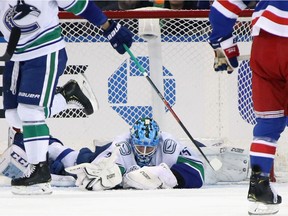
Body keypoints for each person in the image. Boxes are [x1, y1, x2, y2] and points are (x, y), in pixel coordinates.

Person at [0, 0, 133, 195]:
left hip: (44, 51)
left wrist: (109, 27)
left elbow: (79, 4)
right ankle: (67, 95)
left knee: (30, 110)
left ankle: (39, 173)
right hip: (15, 54)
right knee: (15, 117)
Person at [1, 117, 249, 190]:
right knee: (70, 161)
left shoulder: (169, 145)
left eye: (148, 148)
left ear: (158, 143)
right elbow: (100, 170)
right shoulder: (122, 145)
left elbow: (196, 172)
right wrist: (116, 176)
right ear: (133, 142)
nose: (143, 152)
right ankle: (25, 140)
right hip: (96, 156)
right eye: (140, 146)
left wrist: (163, 173)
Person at [208, 1, 286, 215]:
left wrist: (226, 47)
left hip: (264, 45)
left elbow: (222, 9)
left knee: (268, 124)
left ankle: (261, 192)